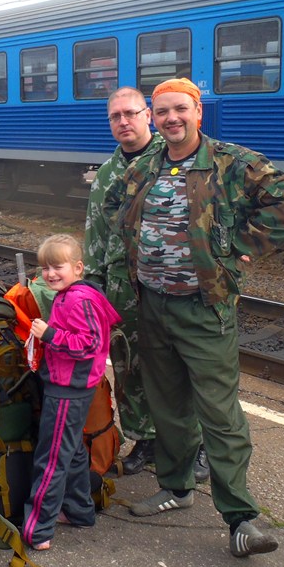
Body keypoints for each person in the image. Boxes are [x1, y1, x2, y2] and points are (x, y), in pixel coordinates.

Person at [113, 77, 284, 557]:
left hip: (204, 309)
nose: (171, 119)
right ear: (154, 118)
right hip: (153, 304)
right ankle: (177, 488)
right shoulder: (146, 166)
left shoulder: (233, 162)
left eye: (180, 109)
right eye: (162, 112)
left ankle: (241, 517)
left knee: (219, 413)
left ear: (198, 112)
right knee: (168, 407)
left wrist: (239, 245)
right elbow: (125, 218)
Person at [84, 87, 209, 482]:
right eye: (115, 117)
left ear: (148, 116)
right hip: (123, 286)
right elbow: (96, 234)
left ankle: (200, 444)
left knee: (183, 367)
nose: (124, 122)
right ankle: (145, 439)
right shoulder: (107, 174)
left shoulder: (173, 157)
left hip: (174, 287)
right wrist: (91, 285)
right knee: (129, 365)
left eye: (131, 114)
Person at [21, 234, 120, 551]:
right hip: (71, 385)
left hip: (68, 388)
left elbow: (89, 344)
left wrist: (49, 334)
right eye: (45, 267)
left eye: (57, 267)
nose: (50, 274)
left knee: (51, 458)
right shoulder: (73, 294)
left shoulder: (77, 300)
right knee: (72, 449)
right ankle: (80, 511)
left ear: (78, 267)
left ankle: (37, 530)